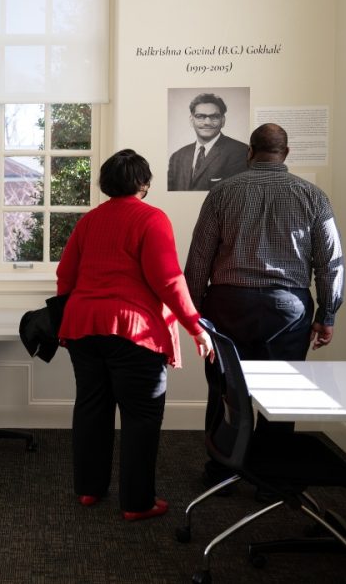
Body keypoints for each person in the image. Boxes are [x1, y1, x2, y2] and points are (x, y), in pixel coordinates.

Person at [56, 149, 214, 521]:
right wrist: (195, 326)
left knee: (91, 407)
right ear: (144, 183)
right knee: (141, 416)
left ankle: (90, 490)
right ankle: (137, 502)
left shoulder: (90, 221)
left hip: (83, 327)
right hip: (133, 330)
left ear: (106, 183)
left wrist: (73, 309)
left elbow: (66, 274)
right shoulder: (151, 218)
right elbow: (168, 281)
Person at [184, 123, 344, 483]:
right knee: (282, 395)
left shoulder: (222, 194)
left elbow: (199, 260)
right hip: (287, 311)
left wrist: (192, 313)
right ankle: (272, 480)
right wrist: (327, 313)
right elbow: (330, 261)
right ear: (285, 154)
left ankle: (222, 469)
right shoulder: (312, 196)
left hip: (227, 307)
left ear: (249, 152)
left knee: (226, 390)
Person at [167, 92, 249, 191]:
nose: (207, 122)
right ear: (191, 120)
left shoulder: (241, 152)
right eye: (200, 116)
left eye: (214, 117)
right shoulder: (177, 157)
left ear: (223, 121)